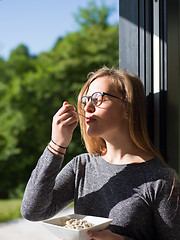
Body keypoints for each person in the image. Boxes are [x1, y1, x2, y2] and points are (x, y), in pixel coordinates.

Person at [21, 66, 180, 240]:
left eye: (98, 98)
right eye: (85, 100)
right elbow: (32, 211)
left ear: (128, 107)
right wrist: (56, 145)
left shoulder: (162, 179)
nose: (87, 107)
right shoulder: (81, 166)